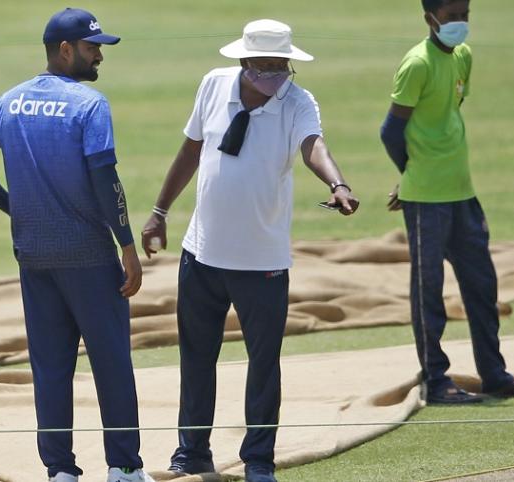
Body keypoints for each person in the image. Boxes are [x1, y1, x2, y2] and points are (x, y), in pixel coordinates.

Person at [141, 19, 359, 482]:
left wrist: (337, 183)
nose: (275, 75)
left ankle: (258, 459)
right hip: (201, 254)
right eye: (265, 66)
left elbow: (312, 145)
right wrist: (159, 211)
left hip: (262, 262)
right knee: (197, 357)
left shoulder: (298, 102)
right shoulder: (213, 84)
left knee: (264, 363)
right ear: (244, 62)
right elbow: (191, 149)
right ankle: (192, 452)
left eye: (282, 66)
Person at [0, 8, 154, 482]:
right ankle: (123, 467)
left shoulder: (10, 101)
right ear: (65, 50)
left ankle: (60, 471)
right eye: (92, 48)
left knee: (50, 366)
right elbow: (106, 179)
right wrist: (126, 243)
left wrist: (15, 208)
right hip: (88, 255)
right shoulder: (89, 104)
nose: (99, 56)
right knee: (111, 364)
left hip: (34, 255)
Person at [380, 0, 514, 403]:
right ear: (429, 18)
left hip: (462, 194)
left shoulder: (464, 56)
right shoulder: (416, 64)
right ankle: (436, 381)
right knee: (428, 292)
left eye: (465, 15)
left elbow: (449, 112)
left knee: (482, 286)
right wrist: (410, 175)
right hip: (426, 201)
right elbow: (390, 131)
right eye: (452, 17)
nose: (460, 24)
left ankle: (496, 376)